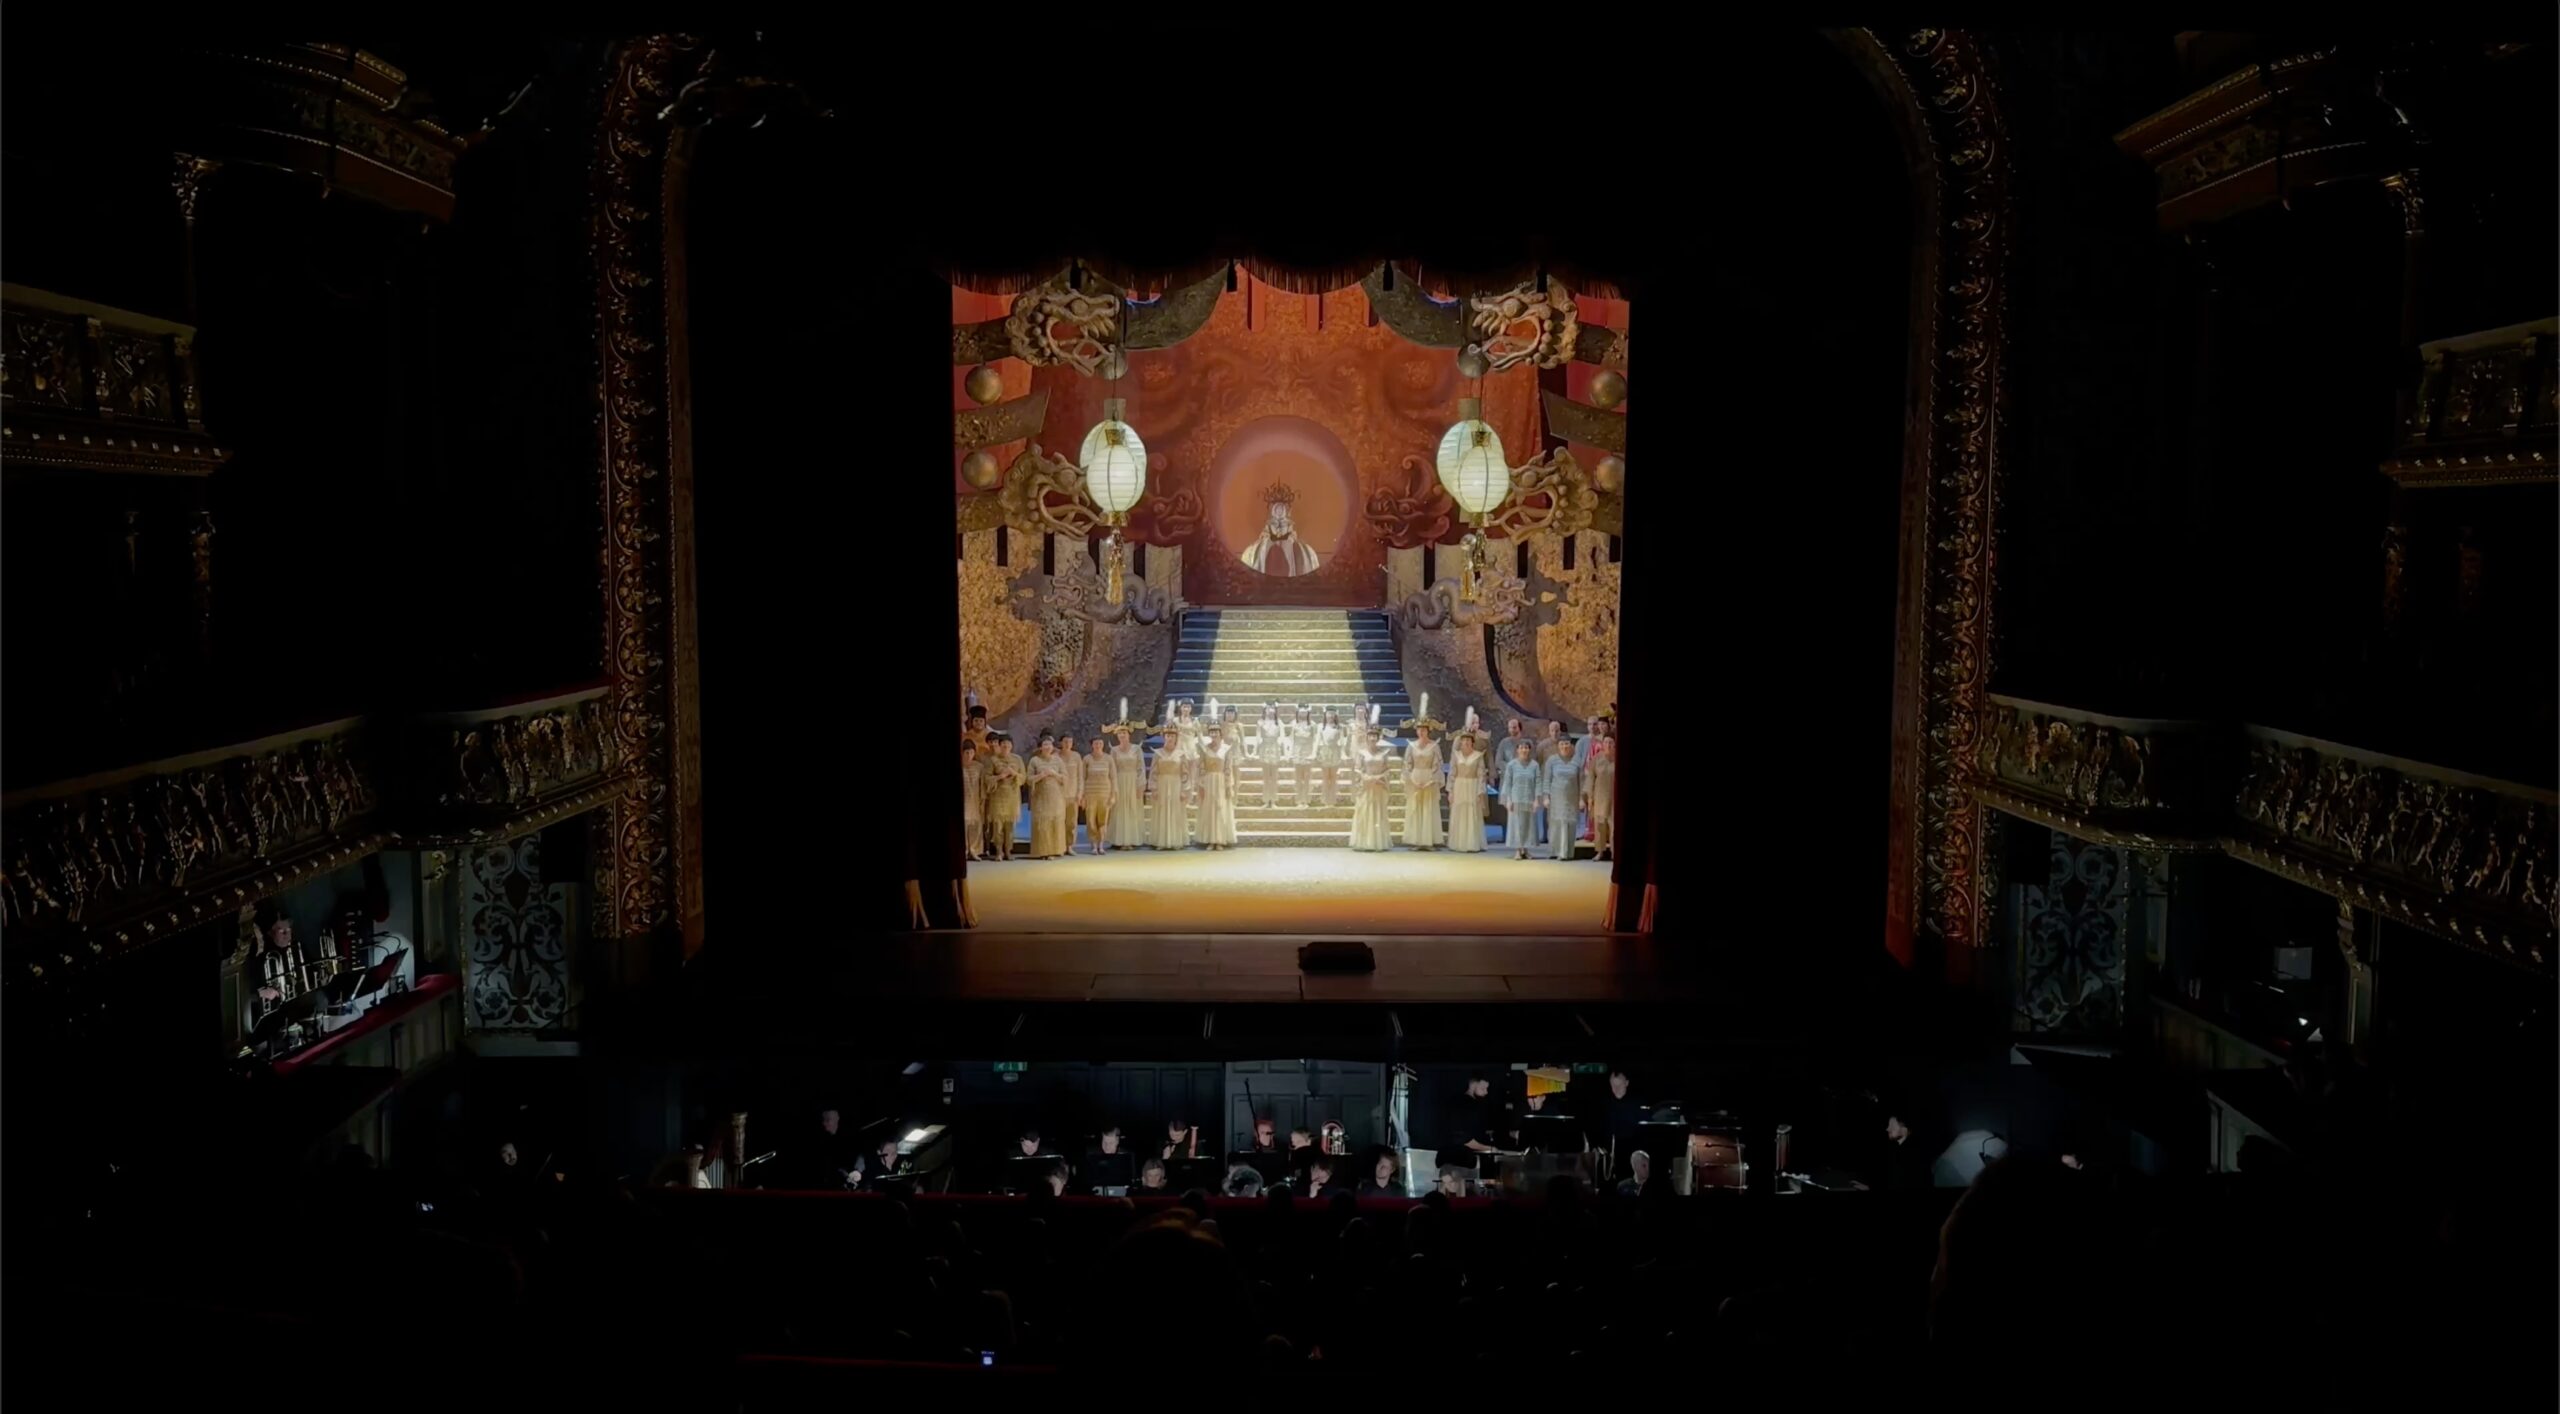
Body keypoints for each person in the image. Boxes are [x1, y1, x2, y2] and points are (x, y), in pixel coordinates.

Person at [1237, 481, 1321, 576]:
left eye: (1282, 509)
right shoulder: (1252, 553)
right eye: (1276, 509)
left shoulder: (1307, 553)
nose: (1279, 513)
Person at [1147, 722, 1192, 850]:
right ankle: (1161, 841)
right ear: (1164, 737)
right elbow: (1153, 772)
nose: (1170, 738)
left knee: (1175, 811)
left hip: (1176, 784)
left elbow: (1185, 773)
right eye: (1167, 736)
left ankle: (1175, 840)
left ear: (1176, 737)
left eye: (1172, 736)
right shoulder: (1158, 753)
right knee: (1162, 811)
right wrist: (1154, 788)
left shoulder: (1181, 754)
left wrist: (1184, 790)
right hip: (1162, 784)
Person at [1195, 723, 1240, 850]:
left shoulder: (1226, 749)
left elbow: (1228, 768)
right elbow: (1201, 768)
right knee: (1209, 809)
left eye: (1216, 732)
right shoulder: (1205, 749)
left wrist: (1228, 786)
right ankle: (1210, 839)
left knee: (1220, 808)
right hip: (1208, 781)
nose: (1214, 734)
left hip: (1220, 781)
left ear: (1220, 734)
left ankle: (1219, 839)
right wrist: (1201, 785)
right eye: (1211, 732)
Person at [1348, 726, 1393, 852]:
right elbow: (1358, 769)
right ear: (1367, 738)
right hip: (1366, 785)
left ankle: (1377, 842)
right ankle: (1365, 842)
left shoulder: (1383, 753)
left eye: (1375, 736)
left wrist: (1380, 778)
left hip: (1378, 785)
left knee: (1378, 811)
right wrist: (1366, 778)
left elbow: (1387, 769)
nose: (1372, 738)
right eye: (1370, 736)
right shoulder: (1362, 753)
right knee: (1365, 811)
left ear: (1378, 738)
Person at [980, 733, 1024, 860]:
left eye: (1008, 744)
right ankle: (999, 851)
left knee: (1010, 826)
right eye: (1003, 744)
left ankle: (1008, 851)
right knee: (997, 826)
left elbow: (1023, 778)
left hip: (1012, 797)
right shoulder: (993, 760)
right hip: (997, 797)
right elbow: (986, 778)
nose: (1006, 746)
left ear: (1012, 746)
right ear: (999, 745)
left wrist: (1014, 773)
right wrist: (1000, 776)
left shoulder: (1017, 759)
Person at [1027, 735, 1070, 858]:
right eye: (1045, 744)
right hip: (1040, 798)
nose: (1047, 747)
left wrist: (1055, 774)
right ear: (1040, 747)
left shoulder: (1058, 760)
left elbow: (1065, 778)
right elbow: (1028, 779)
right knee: (1042, 824)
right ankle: (1042, 852)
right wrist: (1041, 775)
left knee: (1055, 823)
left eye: (1049, 744)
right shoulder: (1034, 760)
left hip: (1056, 797)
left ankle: (1056, 850)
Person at [1402, 723, 1445, 849]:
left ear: (1428, 731)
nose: (1421, 732)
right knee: (1415, 808)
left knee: (1429, 808)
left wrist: (1431, 780)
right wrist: (1412, 780)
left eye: (1424, 730)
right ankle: (1416, 840)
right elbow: (1407, 764)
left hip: (1429, 777)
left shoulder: (1434, 746)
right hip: (1415, 777)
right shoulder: (1411, 746)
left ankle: (1428, 840)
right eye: (1419, 730)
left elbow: (1438, 764)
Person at [1499, 739, 1543, 859]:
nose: (1524, 750)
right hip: (1515, 799)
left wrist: (1537, 800)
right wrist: (1508, 800)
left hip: (1529, 798)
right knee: (1517, 825)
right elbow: (1508, 783)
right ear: (1517, 750)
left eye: (1526, 748)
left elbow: (1538, 782)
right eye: (1521, 748)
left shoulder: (1534, 765)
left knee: (1528, 825)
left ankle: (1526, 850)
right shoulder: (1511, 765)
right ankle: (1518, 850)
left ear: (1529, 750)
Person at [1107, 727, 1149, 849]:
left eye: (1124, 733)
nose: (1122, 735)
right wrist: (1112, 787)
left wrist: (1140, 785)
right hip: (1119, 781)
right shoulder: (1114, 750)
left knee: (1132, 808)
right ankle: (1118, 839)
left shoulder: (1137, 749)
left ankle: (1132, 839)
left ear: (1129, 734)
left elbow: (1141, 768)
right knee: (1119, 809)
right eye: (1120, 733)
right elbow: (1112, 769)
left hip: (1133, 781)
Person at [1543, 737, 1583, 860]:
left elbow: (1581, 781)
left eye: (1567, 744)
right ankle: (1555, 851)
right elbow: (1547, 779)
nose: (1564, 746)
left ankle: (1566, 853)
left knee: (1569, 824)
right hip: (1556, 798)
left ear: (1571, 746)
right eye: (1562, 744)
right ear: (1558, 746)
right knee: (1556, 824)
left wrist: (1582, 799)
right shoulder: (1552, 760)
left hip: (1572, 797)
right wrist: (1546, 797)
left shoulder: (1577, 761)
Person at [1447, 729, 1487, 852]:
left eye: (1468, 740)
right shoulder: (1456, 755)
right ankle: (1458, 842)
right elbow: (1452, 773)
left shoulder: (1478, 756)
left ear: (1472, 742)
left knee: (1472, 812)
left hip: (1472, 785)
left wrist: (1480, 791)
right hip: (1459, 785)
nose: (1466, 742)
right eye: (1464, 740)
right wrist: (1450, 791)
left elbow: (1481, 775)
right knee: (1459, 811)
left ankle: (1472, 842)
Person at [1450, 1074, 1499, 1169]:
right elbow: (1462, 1138)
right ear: (1473, 1084)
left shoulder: (1472, 1104)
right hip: (1464, 1160)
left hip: (1470, 1158)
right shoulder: (1464, 1104)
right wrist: (1489, 1149)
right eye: (1483, 1088)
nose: (1486, 1092)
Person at [1078, 735, 1115, 854]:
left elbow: (1113, 778)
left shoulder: (1109, 759)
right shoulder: (1087, 759)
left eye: (1100, 743)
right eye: (1096, 743)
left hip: (1105, 793)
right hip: (1090, 794)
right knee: (1091, 820)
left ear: (1103, 745)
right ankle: (1094, 845)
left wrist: (1113, 795)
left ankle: (1101, 845)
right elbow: (1082, 778)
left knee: (1103, 820)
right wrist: (1082, 795)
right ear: (1092, 745)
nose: (1098, 746)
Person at [1586, 727, 1616, 860]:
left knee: (1614, 827)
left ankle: (1615, 852)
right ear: (1602, 744)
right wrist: (1590, 797)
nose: (1608, 745)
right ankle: (1600, 851)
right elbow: (1590, 778)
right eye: (1606, 742)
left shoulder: (1619, 758)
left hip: (1615, 798)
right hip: (1599, 797)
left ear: (1615, 744)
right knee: (1599, 825)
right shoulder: (1596, 759)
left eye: (1611, 742)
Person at [1312, 709, 1346, 807]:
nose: (1330, 716)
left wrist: (1343, 754)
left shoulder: (1339, 727)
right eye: (1328, 714)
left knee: (1333, 777)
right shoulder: (1321, 727)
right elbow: (1317, 741)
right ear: (1325, 715)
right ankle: (1325, 800)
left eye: (1332, 714)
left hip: (1335, 752)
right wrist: (1314, 753)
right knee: (1326, 777)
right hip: (1325, 753)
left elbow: (1342, 742)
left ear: (1335, 715)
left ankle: (1333, 799)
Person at [1085, 1124, 1136, 1189]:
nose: (1107, 1146)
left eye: (1111, 1143)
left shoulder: (1127, 1157)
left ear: (1117, 1141)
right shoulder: (1091, 1155)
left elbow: (1132, 1182)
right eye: (1105, 1142)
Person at [1285, 703, 1314, 807]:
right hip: (1297, 751)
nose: (1303, 713)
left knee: (1307, 778)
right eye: (1301, 712)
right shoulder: (1293, 724)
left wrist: (1313, 753)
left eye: (1305, 712)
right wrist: (1289, 753)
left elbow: (1314, 739)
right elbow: (1291, 739)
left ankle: (1306, 800)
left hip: (1307, 751)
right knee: (1298, 778)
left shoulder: (1312, 725)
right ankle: (1298, 800)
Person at [961, 739, 985, 862]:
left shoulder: (979, 767)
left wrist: (982, 799)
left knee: (976, 825)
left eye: (971, 752)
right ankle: (964, 851)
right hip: (963, 800)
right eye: (967, 752)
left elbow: (983, 784)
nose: (969, 755)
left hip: (976, 799)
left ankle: (974, 850)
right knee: (964, 825)